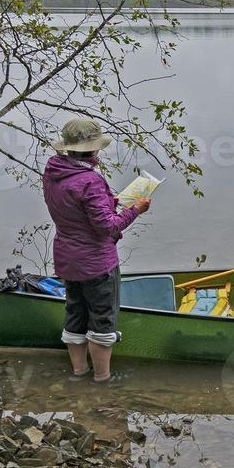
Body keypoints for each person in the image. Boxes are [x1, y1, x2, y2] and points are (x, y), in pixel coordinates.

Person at [42, 117, 151, 382]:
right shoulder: (90, 181)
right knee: (102, 319)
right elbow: (107, 227)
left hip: (68, 260)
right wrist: (135, 210)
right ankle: (103, 379)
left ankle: (79, 372)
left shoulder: (53, 172)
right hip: (96, 263)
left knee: (75, 312)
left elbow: (76, 208)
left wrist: (108, 200)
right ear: (93, 149)